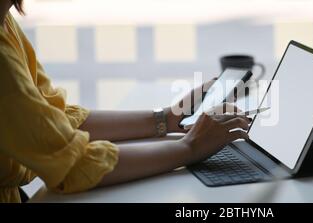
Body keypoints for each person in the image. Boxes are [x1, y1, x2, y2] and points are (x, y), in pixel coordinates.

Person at [0, 0, 250, 203]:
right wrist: (190, 147)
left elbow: (51, 121)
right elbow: (74, 166)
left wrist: (167, 118)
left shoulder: (5, 21)